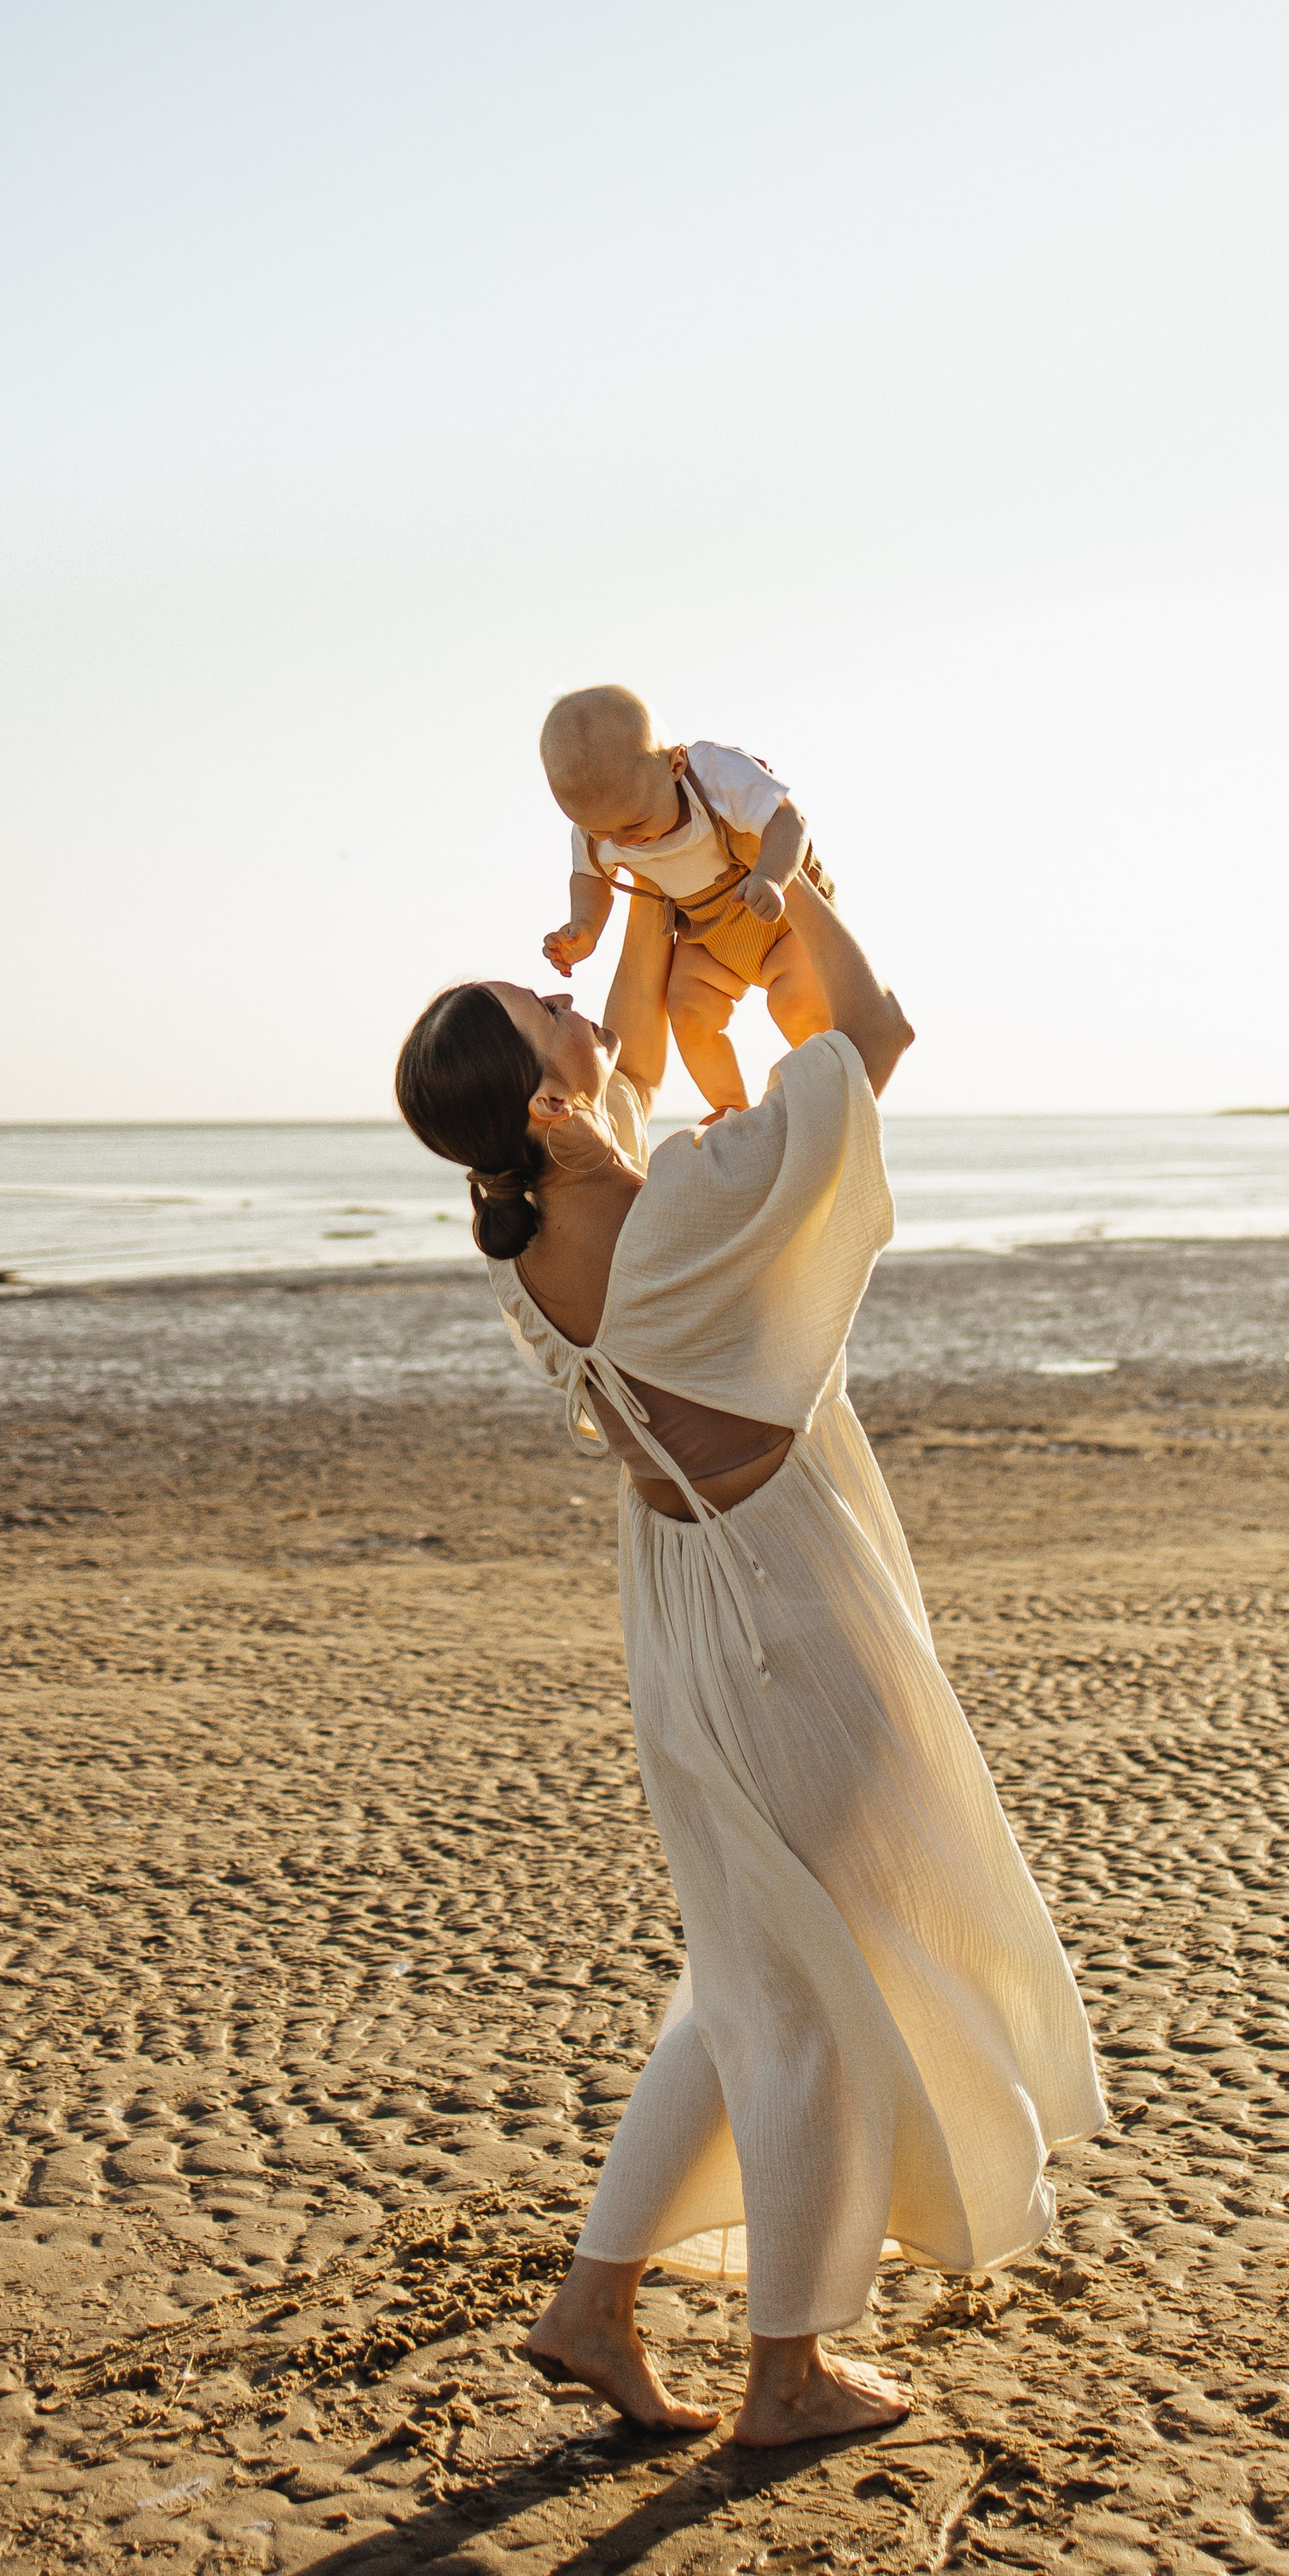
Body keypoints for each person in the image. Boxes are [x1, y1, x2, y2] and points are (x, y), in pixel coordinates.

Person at [394, 871, 1104, 2447]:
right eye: (544, 1012)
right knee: (814, 1983)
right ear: (547, 1101)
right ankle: (783, 2374)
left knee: (754, 1971)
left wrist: (644, 885)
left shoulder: (529, 1227)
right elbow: (873, 1035)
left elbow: (631, 1037)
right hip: (788, 1608)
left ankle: (592, 2307)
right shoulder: (686, 1208)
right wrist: (792, 882)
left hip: (684, 1609)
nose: (573, 1002)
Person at [537, 682, 833, 1117]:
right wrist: (585, 927)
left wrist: (771, 876)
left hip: (779, 915)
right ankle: (732, 1111)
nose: (624, 840)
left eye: (636, 822)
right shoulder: (597, 826)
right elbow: (590, 878)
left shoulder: (714, 775)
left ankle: (830, 1091)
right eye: (603, 831)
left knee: (795, 1004)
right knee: (688, 1011)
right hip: (707, 931)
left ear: (675, 765)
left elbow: (790, 820)